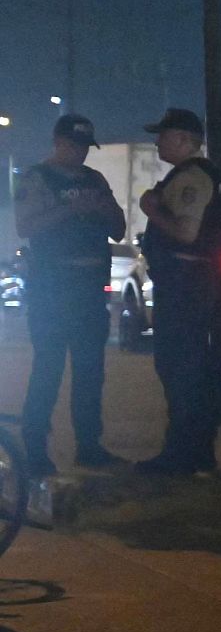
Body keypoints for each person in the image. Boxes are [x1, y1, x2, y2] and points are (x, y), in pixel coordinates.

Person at [12, 114, 127, 477]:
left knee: (91, 371)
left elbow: (118, 229)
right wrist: (71, 209)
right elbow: (25, 226)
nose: (80, 154)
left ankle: (90, 446)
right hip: (52, 288)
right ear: (58, 142)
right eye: (74, 145)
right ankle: (34, 451)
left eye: (84, 147)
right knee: (48, 368)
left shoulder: (95, 180)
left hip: (90, 288)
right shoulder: (37, 178)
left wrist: (102, 207)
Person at [135, 108, 221, 476]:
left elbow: (187, 233)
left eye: (163, 134)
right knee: (191, 368)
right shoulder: (201, 176)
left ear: (184, 140)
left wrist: (151, 210)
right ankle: (197, 452)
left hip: (184, 286)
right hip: (194, 284)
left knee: (179, 368)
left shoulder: (193, 178)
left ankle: (180, 454)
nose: (157, 141)